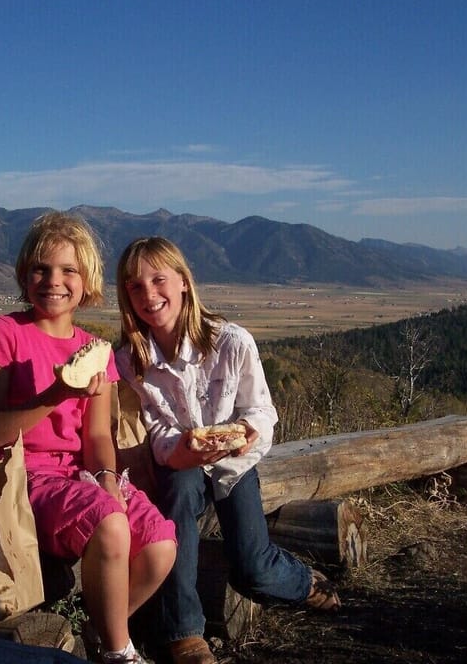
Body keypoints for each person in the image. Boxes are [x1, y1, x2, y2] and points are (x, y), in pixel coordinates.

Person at [115, 237, 341, 664]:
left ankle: (303, 581)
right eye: (135, 286)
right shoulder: (131, 361)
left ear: (183, 282)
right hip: (178, 465)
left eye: (158, 280)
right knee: (179, 495)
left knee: (252, 569)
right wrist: (176, 451)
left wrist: (243, 434)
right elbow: (152, 427)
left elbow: (260, 410)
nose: (148, 294)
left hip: (234, 466)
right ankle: (183, 633)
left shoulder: (231, 343)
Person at [0, 213, 177, 664]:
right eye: (41, 268)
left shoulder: (96, 351)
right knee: (110, 522)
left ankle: (93, 632)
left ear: (86, 281)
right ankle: (121, 652)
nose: (53, 281)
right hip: (19, 478)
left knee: (159, 546)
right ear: (24, 273)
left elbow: (98, 433)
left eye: (68, 271)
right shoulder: (3, 335)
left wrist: (105, 476)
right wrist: (56, 393)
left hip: (77, 475)